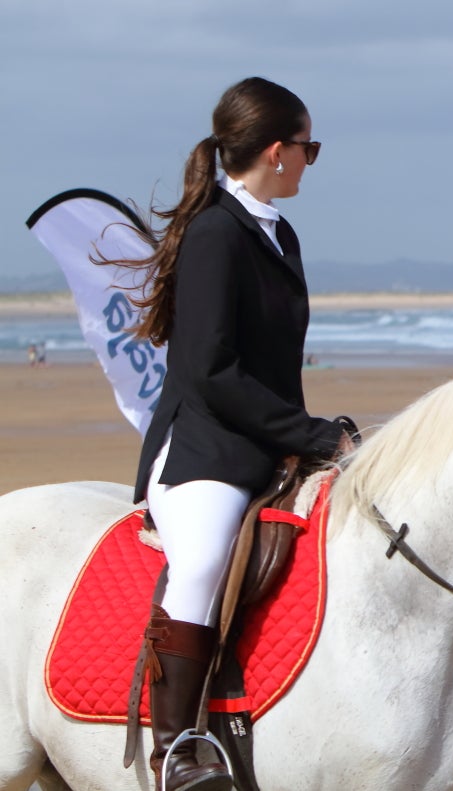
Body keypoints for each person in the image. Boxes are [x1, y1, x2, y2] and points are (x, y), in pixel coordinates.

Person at [104, 77, 348, 791]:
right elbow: (211, 369)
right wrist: (310, 433)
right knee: (205, 559)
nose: (310, 159)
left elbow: (273, 368)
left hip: (269, 445)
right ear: (277, 151)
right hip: (205, 448)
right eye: (309, 147)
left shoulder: (279, 232)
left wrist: (310, 438)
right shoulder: (216, 233)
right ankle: (177, 744)